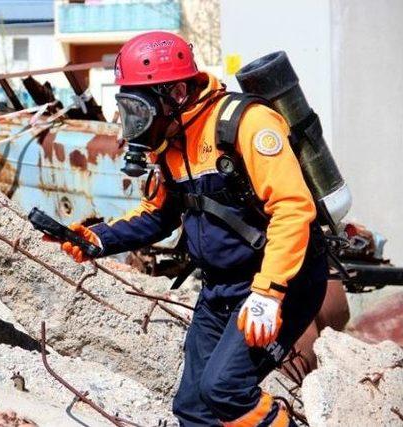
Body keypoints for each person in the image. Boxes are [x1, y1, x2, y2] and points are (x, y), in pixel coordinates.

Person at [50, 31, 329, 426]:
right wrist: (95, 239)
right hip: (221, 286)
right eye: (128, 109)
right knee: (194, 407)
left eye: (140, 110)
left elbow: (292, 208)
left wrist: (269, 293)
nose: (135, 125)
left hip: (282, 284)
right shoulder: (171, 146)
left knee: (226, 390)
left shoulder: (245, 125)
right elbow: (157, 217)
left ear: (177, 92)